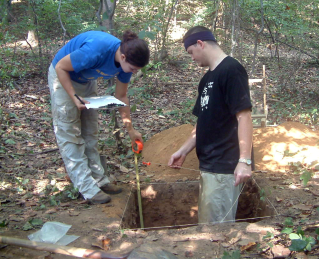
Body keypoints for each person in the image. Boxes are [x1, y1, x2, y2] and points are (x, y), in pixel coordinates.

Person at [48, 30, 149, 205]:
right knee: (70, 133)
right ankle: (87, 188)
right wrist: (73, 96)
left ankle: (99, 180)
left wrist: (130, 130)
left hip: (86, 80)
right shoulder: (96, 51)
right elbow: (60, 67)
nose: (133, 72)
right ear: (123, 57)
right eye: (133, 69)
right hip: (63, 78)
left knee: (90, 131)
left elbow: (121, 96)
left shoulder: (126, 64)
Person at [168, 26, 253, 224]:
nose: (191, 58)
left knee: (215, 233)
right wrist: (183, 150)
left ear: (200, 43)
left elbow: (245, 117)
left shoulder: (232, 70)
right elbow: (203, 123)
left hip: (224, 166)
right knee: (208, 224)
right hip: (208, 166)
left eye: (191, 52)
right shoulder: (206, 79)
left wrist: (245, 161)